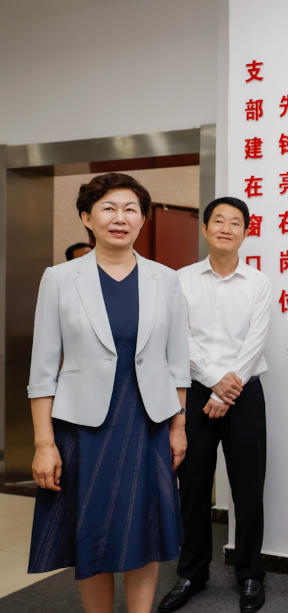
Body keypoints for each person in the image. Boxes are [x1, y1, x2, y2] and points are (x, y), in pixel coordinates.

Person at [27, 172, 190, 613]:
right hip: (84, 429)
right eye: (109, 208)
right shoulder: (60, 279)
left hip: (148, 425)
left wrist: (179, 426)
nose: (121, 218)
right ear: (87, 217)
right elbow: (42, 371)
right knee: (91, 532)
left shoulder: (165, 279)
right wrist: (44, 443)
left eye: (131, 209)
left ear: (143, 220)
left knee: (145, 532)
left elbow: (178, 363)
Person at [159, 197, 272, 613]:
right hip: (193, 392)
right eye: (218, 221)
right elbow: (178, 338)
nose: (226, 228)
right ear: (205, 229)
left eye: (235, 222)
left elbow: (256, 340)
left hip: (244, 393)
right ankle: (192, 572)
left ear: (246, 231)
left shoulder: (259, 282)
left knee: (248, 488)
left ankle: (250, 574)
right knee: (192, 486)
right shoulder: (181, 280)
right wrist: (212, 381)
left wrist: (226, 391)